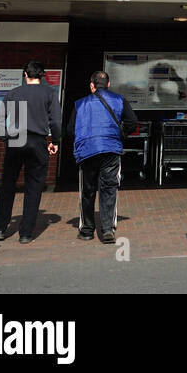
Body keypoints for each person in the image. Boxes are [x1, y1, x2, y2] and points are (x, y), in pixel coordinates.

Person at [0, 61, 62, 244]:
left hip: (15, 139)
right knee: (34, 187)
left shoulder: (14, 93)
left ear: (25, 74)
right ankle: (26, 233)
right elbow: (56, 122)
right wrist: (55, 141)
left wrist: (5, 138)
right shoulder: (49, 93)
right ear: (42, 75)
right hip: (38, 141)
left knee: (8, 184)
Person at [67, 70, 138, 244]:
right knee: (109, 189)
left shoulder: (79, 104)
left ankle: (87, 230)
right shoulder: (119, 100)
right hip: (111, 150)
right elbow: (132, 122)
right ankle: (107, 230)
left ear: (92, 86)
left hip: (87, 151)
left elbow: (70, 130)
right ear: (108, 84)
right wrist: (121, 134)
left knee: (87, 191)